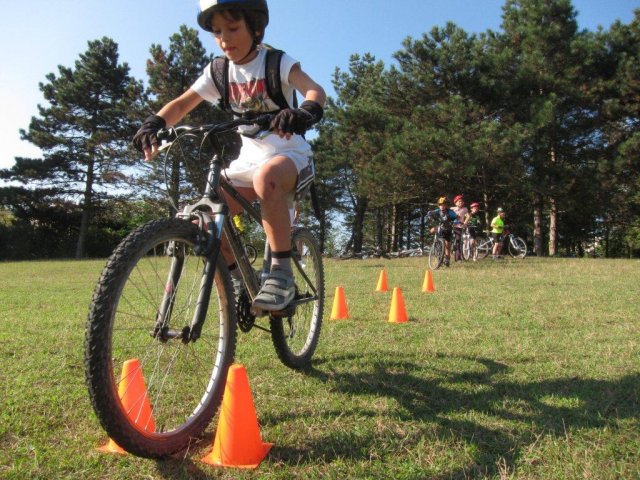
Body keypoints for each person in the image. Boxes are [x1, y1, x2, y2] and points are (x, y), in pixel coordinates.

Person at [132, 0, 326, 311]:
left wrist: (304, 112)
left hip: (289, 153)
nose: (225, 38)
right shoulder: (219, 71)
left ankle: (281, 273)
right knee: (206, 213)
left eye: (233, 28)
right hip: (248, 159)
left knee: (267, 179)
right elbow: (181, 105)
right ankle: (238, 278)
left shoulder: (276, 62)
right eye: (217, 32)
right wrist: (154, 123)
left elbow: (315, 90)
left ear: (255, 27)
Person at [427, 197, 459, 267]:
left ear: (446, 205)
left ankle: (447, 259)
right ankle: (437, 249)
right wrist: (429, 216)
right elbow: (429, 213)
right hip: (439, 227)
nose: (442, 206)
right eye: (440, 205)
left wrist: (455, 222)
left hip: (447, 228)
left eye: (443, 205)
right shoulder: (437, 211)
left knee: (447, 245)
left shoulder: (450, 212)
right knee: (432, 230)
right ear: (439, 205)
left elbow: (456, 217)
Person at [451, 194, 468, 261]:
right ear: (455, 202)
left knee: (458, 242)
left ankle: (458, 258)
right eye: (459, 201)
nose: (460, 203)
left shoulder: (464, 209)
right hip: (451, 226)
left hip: (459, 227)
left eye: (461, 201)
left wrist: (465, 223)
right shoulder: (452, 209)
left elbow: (468, 216)